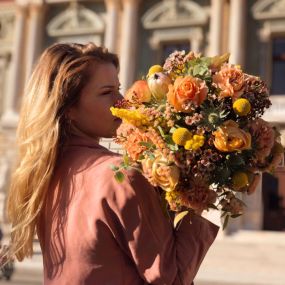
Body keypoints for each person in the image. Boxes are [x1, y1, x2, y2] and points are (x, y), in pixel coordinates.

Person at [6, 42, 219, 285]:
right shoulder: (120, 176)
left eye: (118, 89)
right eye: (107, 92)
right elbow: (171, 279)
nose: (123, 102)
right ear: (68, 108)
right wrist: (193, 194)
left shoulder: (45, 174)